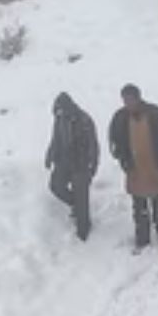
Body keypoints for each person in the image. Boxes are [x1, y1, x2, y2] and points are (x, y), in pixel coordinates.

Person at [107, 84, 158, 251]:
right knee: (139, 204)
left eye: (130, 99)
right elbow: (115, 141)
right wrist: (122, 159)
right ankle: (142, 237)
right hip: (135, 168)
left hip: (156, 165)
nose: (127, 103)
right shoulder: (120, 118)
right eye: (125, 99)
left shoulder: (154, 114)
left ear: (138, 98)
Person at [45, 92, 99, 241]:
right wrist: (49, 156)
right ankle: (75, 203)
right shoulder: (59, 119)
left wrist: (93, 165)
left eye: (61, 110)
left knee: (82, 197)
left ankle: (84, 231)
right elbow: (55, 139)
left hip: (81, 164)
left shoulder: (84, 120)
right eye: (57, 111)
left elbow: (93, 145)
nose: (59, 113)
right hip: (63, 161)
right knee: (55, 186)